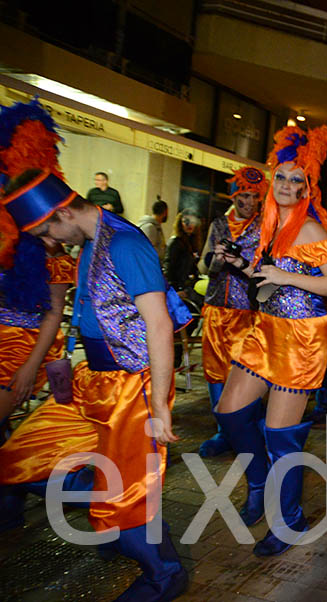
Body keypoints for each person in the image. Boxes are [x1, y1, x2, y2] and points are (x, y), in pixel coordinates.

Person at [0, 168, 189, 600]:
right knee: (20, 457)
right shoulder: (90, 241)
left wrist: (159, 405)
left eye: (47, 228)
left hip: (132, 388)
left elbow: (159, 325)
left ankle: (164, 572)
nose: (49, 240)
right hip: (94, 382)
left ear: (63, 211)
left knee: (126, 492)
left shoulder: (125, 243)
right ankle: (112, 518)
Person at [212, 124, 327, 557]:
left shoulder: (308, 228)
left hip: (302, 339)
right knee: (230, 414)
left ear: (308, 187)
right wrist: (237, 263)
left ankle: (288, 520)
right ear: (271, 179)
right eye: (282, 177)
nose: (288, 185)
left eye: (297, 180)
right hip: (265, 329)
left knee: (280, 435)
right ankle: (257, 481)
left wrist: (284, 274)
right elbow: (267, 282)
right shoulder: (269, 223)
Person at [0, 99, 77, 425]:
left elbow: (54, 311)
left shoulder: (50, 240)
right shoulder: (5, 229)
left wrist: (31, 365)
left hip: (21, 345)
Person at [194, 166, 265, 458]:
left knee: (244, 373)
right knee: (214, 372)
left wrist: (241, 262)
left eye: (252, 197)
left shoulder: (264, 228)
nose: (247, 202)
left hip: (246, 312)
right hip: (214, 309)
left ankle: (246, 430)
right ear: (233, 196)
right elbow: (202, 267)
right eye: (242, 196)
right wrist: (215, 261)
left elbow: (265, 274)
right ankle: (223, 432)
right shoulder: (218, 225)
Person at [163, 212, 203, 297]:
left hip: (187, 287)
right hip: (178, 290)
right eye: (186, 221)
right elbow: (168, 268)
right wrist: (174, 291)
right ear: (180, 224)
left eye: (193, 221)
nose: (190, 225)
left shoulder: (191, 242)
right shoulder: (175, 242)